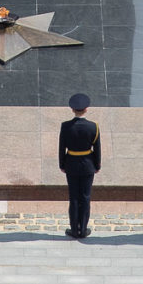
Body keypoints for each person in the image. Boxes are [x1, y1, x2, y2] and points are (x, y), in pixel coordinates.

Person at [59, 93, 102, 238]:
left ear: (72, 109)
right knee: (85, 197)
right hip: (88, 165)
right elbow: (97, 149)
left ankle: (74, 229)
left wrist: (62, 164)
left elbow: (61, 148)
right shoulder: (93, 127)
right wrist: (97, 165)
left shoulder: (65, 126)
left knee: (74, 198)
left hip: (71, 164)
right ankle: (83, 229)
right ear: (86, 109)